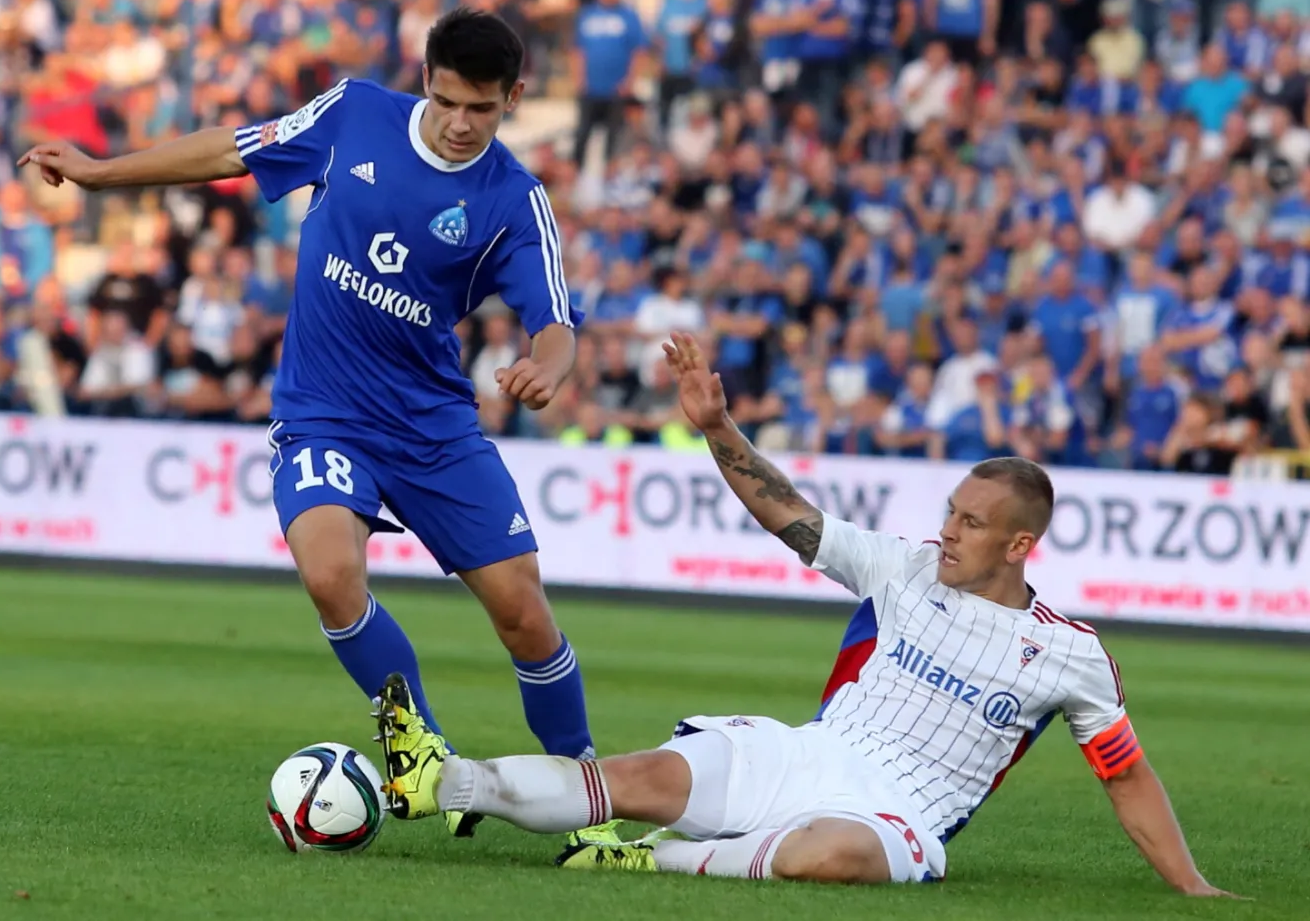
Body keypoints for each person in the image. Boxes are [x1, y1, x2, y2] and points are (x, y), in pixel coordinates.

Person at [17, 8, 601, 842]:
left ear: (513, 97)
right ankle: (420, 751)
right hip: (322, 411)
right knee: (329, 573)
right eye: (446, 101)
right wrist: (102, 174)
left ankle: (591, 806)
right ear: (424, 78)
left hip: (431, 425)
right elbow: (230, 149)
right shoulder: (353, 114)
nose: (461, 123)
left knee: (522, 613)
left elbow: (554, 318)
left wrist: (551, 364)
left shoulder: (514, 198)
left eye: (483, 108)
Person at [371, 333, 1234, 896]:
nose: (948, 531)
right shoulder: (903, 567)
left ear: (1020, 546)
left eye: (972, 523)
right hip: (805, 753)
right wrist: (718, 430)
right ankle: (443, 780)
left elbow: (1126, 776)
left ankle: (655, 857)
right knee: (634, 779)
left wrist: (1193, 887)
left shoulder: (1069, 654)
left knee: (833, 857)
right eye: (951, 512)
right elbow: (791, 513)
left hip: (895, 815)